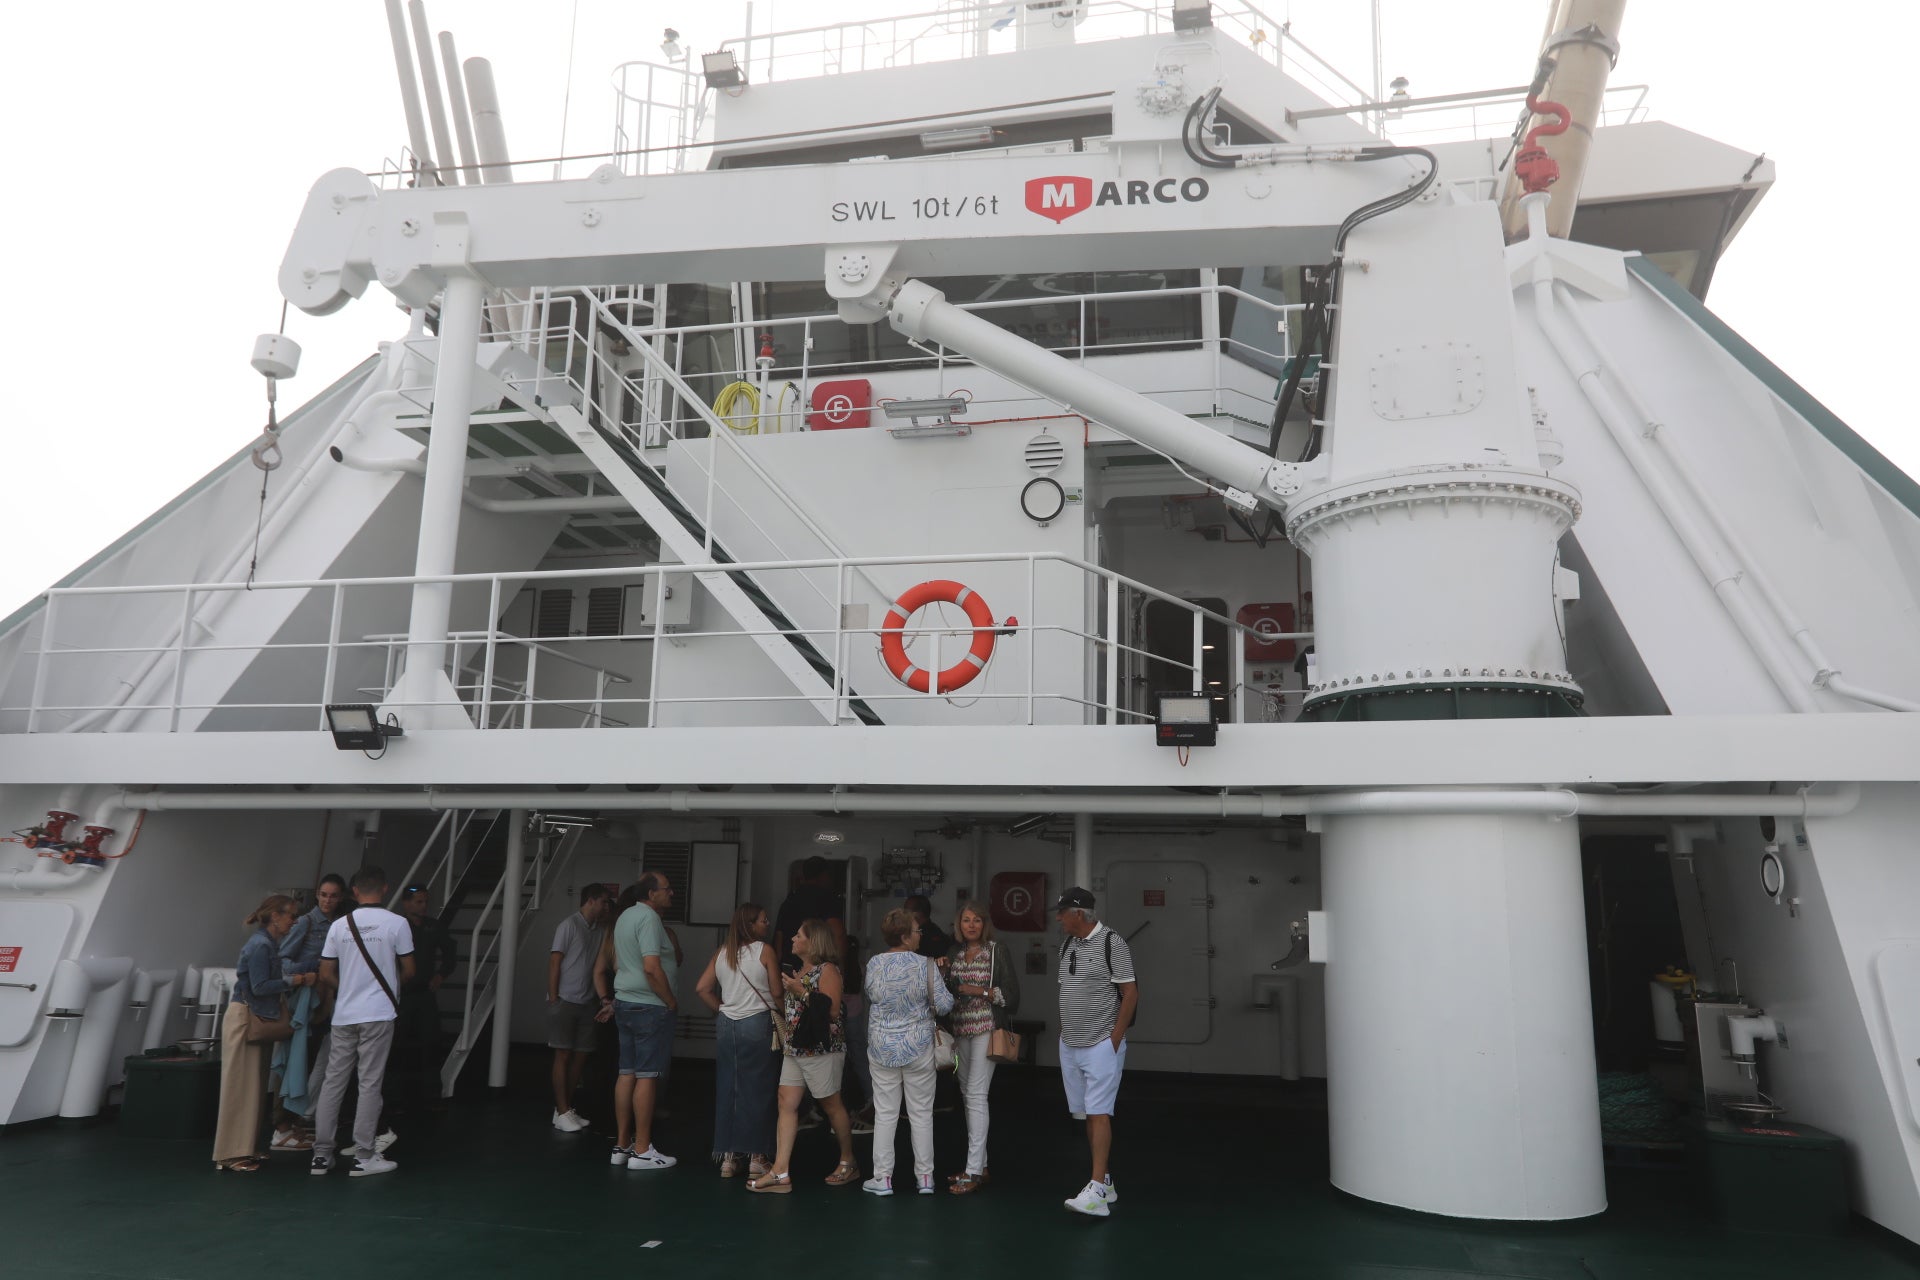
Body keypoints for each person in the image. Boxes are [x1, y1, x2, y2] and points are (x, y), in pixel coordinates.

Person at [309, 866, 415, 1178]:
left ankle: (321, 1156)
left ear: (354, 892)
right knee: (370, 1083)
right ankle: (365, 1155)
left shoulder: (339, 926)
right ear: (384, 889)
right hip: (378, 1013)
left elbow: (326, 973)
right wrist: (388, 988)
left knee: (333, 1082)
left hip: (344, 1015)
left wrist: (349, 990)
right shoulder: (398, 924)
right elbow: (409, 969)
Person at [746, 919, 859, 1193]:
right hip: (796, 1047)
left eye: (798, 935)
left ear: (813, 942)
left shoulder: (827, 970)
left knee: (830, 1104)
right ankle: (780, 1171)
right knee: (786, 1101)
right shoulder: (800, 970)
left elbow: (831, 1011)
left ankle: (848, 1161)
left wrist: (801, 991)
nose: (792, 939)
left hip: (822, 1048)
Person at [214, 895, 318, 1172]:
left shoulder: (267, 944)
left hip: (254, 1017)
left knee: (252, 1087)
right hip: (246, 1018)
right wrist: (296, 980)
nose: (293, 921)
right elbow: (260, 986)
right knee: (239, 1087)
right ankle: (228, 1153)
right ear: (276, 917)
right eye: (290, 916)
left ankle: (243, 1147)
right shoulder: (261, 946)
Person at [1054, 886, 1136, 1218]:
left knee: (1100, 1111)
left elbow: (1130, 993)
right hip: (1071, 1043)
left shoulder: (1111, 943)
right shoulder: (1067, 945)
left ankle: (1097, 1191)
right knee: (1088, 1112)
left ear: (1078, 914)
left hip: (1100, 1043)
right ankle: (1105, 1181)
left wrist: (1113, 1039)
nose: (1058, 918)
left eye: (1062, 912)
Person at [861, 907, 953, 1196]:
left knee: (886, 1114)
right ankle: (925, 1178)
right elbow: (945, 1005)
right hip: (919, 1047)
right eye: (916, 930)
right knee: (921, 1114)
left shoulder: (875, 963)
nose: (919, 935)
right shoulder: (926, 965)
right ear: (904, 935)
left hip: (882, 1046)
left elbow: (872, 995)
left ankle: (883, 1178)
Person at [694, 902, 781, 1179]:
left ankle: (729, 1159)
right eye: (763, 920)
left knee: (729, 1088)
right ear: (750, 925)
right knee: (759, 1090)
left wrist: (722, 1008)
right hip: (757, 1023)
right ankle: (757, 1158)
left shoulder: (722, 952)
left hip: (726, 1025)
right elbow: (777, 992)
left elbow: (702, 988)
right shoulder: (765, 951)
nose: (768, 923)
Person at [944, 899, 1021, 1193]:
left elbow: (1012, 997)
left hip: (987, 1028)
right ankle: (981, 1165)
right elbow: (946, 993)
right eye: (966, 920)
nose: (972, 925)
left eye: (977, 920)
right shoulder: (955, 952)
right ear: (959, 924)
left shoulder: (996, 951)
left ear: (985, 923)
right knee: (967, 1095)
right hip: (961, 1029)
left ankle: (973, 1171)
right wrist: (941, 973)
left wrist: (979, 991)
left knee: (976, 1095)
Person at [607, 872, 678, 1170]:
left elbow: (616, 961)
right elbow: (652, 967)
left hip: (624, 1001)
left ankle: (622, 1145)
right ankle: (643, 1149)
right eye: (667, 889)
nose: (671, 893)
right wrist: (670, 1000)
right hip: (649, 1006)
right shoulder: (649, 919)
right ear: (651, 894)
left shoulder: (625, 916)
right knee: (647, 1075)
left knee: (627, 1073)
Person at [272, 872, 345, 1148]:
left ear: (341, 898)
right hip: (304, 998)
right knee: (293, 1060)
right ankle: (280, 1125)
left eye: (333, 895)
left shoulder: (338, 925)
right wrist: (312, 970)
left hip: (324, 1001)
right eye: (324, 895)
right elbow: (284, 961)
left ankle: (292, 1123)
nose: (327, 900)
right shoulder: (305, 922)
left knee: (309, 1061)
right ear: (317, 895)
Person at [548, 883, 612, 1132]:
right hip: (565, 999)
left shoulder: (599, 930)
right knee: (562, 1054)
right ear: (591, 900)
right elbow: (555, 961)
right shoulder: (568, 925)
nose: (607, 906)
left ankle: (564, 1109)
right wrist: (554, 997)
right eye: (604, 901)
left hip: (587, 1001)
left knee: (581, 1055)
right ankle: (562, 1109)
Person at [391, 884, 456, 1120]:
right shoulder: (396, 926)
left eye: (425, 901)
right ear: (406, 903)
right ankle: (394, 1098)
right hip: (402, 995)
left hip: (425, 995)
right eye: (418, 901)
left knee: (431, 1043)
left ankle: (432, 1096)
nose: (423, 906)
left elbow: (450, 951)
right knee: (396, 1046)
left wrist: (441, 975)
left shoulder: (433, 926)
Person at [774, 856, 845, 963]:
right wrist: (840, 968)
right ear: (824, 875)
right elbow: (838, 934)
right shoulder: (829, 899)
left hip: (790, 966)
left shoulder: (789, 900)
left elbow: (779, 936)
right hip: (817, 966)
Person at [906, 894, 952, 960]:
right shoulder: (911, 932)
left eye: (906, 911)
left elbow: (931, 963)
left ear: (918, 914)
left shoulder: (933, 936)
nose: (904, 915)